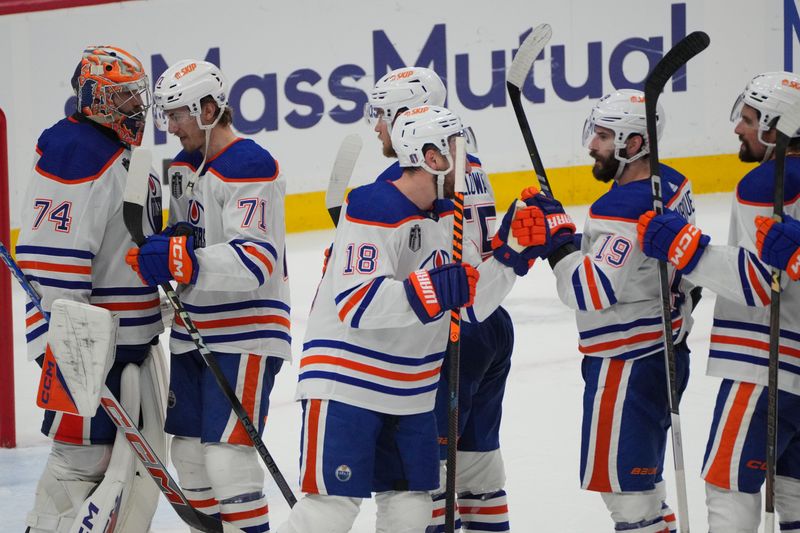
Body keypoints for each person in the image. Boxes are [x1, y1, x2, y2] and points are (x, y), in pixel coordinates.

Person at [276, 105, 539, 533]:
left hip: (412, 391)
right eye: (459, 148)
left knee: (413, 509)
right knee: (331, 508)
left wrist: (512, 256)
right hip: (348, 382)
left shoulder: (448, 216)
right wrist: (432, 290)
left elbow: (470, 304)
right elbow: (357, 303)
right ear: (432, 157)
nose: (469, 160)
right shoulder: (372, 206)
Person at [515, 89, 697, 532]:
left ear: (634, 144)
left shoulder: (619, 206)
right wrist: (571, 240)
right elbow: (634, 265)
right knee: (645, 491)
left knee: (627, 497)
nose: (591, 146)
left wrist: (558, 247)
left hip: (627, 364)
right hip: (666, 350)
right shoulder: (673, 183)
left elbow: (591, 290)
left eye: (602, 135)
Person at [126, 59, 290, 533]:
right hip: (193, 326)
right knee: (190, 457)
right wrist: (172, 243)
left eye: (178, 114)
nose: (171, 126)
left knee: (226, 457)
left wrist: (183, 260)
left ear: (210, 108)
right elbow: (192, 239)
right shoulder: (182, 166)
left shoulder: (249, 164)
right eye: (168, 115)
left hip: (247, 330)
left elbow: (257, 259)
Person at [637, 71, 800, 533]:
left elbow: (758, 284)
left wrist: (687, 250)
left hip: (765, 363)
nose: (738, 129)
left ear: (774, 126)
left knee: (729, 484)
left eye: (748, 119)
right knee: (794, 495)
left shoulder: (766, 182)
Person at [16, 45, 167, 532]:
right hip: (88, 349)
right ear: (96, 98)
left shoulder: (117, 152)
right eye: (123, 98)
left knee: (124, 479)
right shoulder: (74, 150)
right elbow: (51, 265)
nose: (136, 107)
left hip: (124, 348)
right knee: (78, 467)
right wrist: (75, 353)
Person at [365, 67, 514, 533]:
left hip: (448, 330)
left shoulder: (411, 176)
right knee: (479, 472)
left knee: (427, 482)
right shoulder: (466, 159)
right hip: (490, 321)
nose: (377, 127)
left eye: (383, 116)